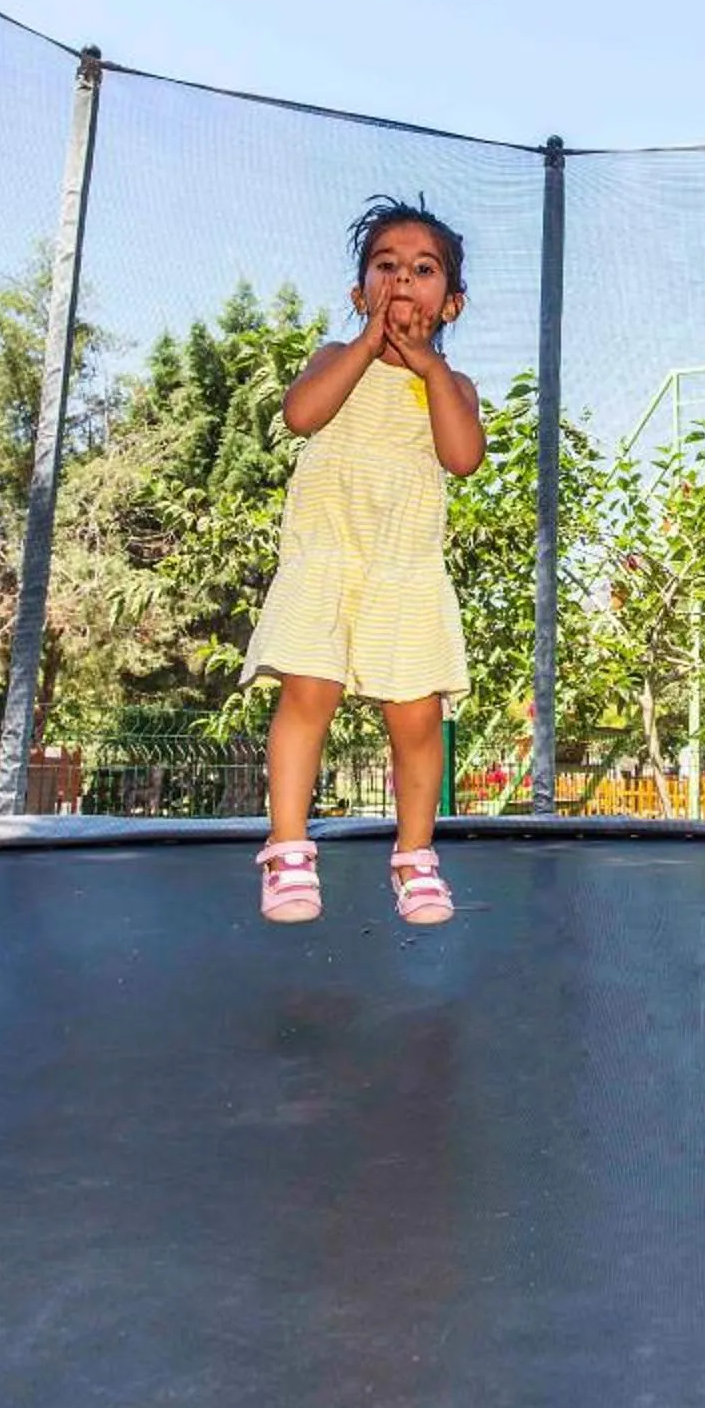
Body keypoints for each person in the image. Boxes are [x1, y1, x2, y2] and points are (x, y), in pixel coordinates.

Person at [241, 197, 484, 926]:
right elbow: (301, 415)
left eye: (422, 269)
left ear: (451, 303)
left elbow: (463, 457)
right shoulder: (331, 359)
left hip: (403, 569)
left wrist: (428, 367)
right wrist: (367, 346)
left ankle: (415, 858)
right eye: (386, 267)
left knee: (417, 719)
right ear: (360, 293)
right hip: (326, 558)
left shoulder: (454, 386)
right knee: (307, 694)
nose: (402, 280)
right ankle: (288, 848)